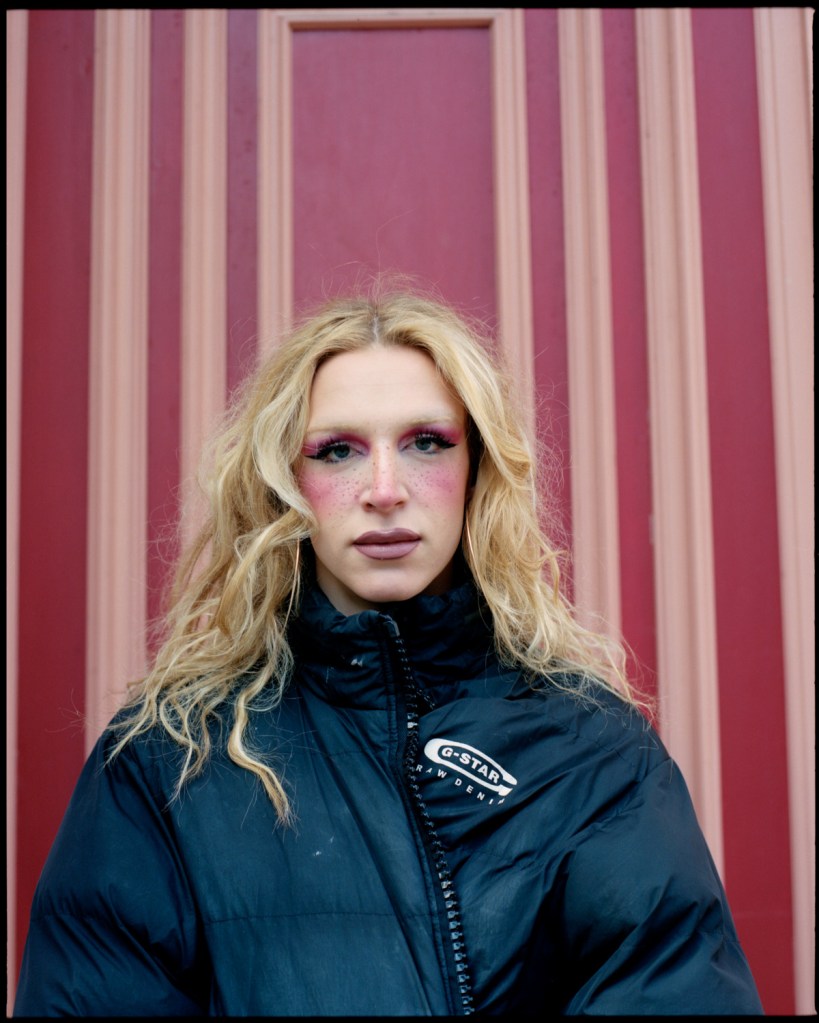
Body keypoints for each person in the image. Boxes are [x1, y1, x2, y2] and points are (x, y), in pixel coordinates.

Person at [15, 289, 763, 1016]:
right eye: (336, 451)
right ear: (284, 482)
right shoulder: (170, 757)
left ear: (476, 470)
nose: (383, 489)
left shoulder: (594, 750)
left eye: (426, 443)